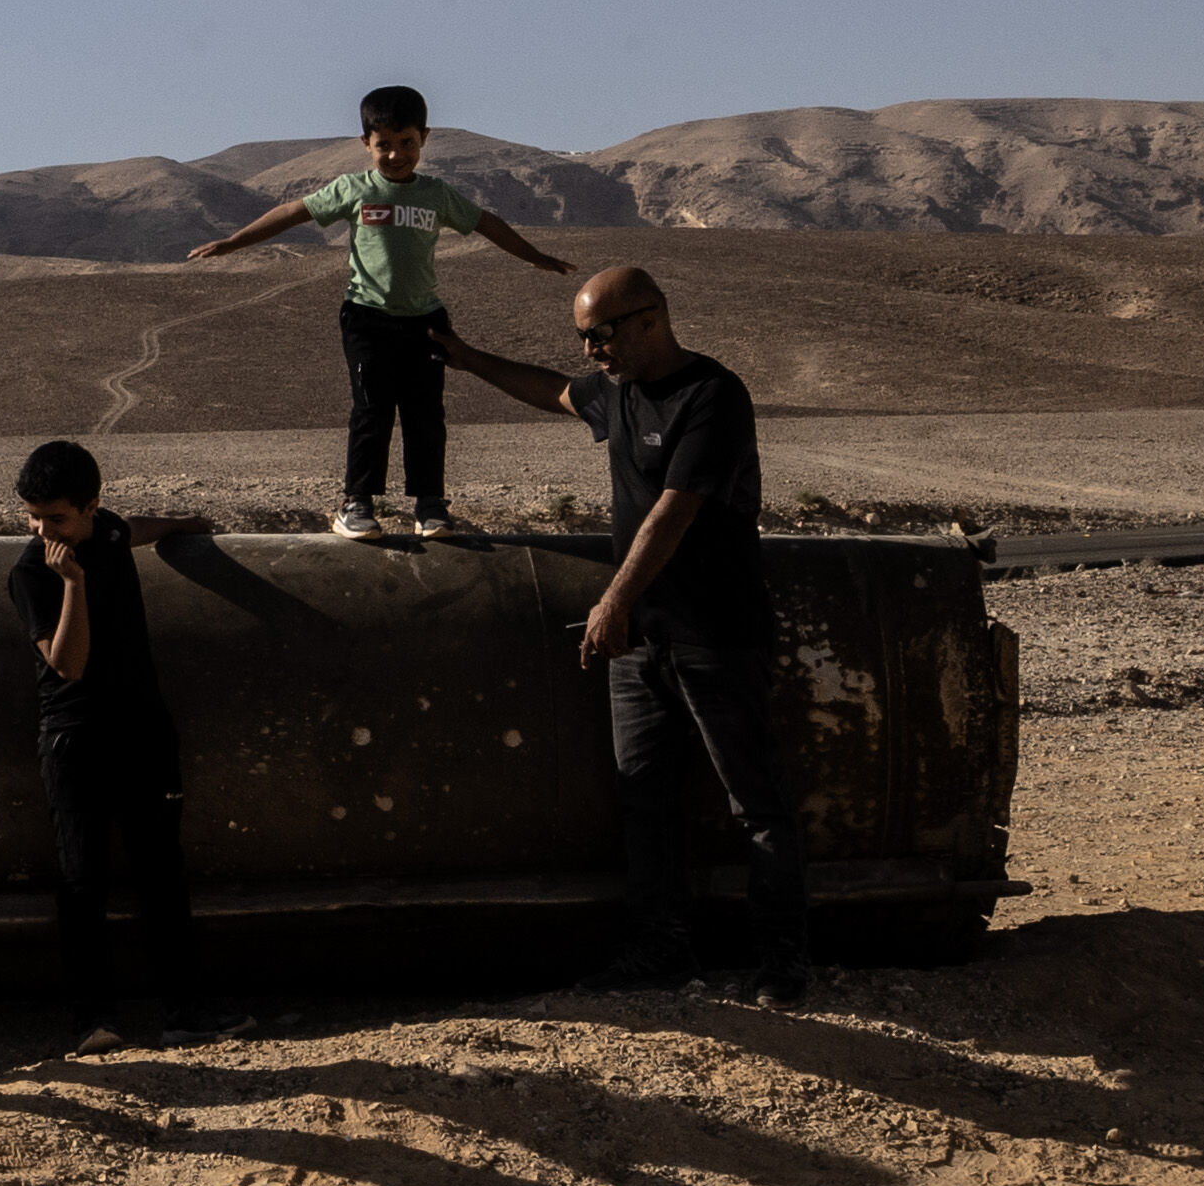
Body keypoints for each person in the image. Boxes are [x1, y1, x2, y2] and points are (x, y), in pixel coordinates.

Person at [435, 268, 807, 999]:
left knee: (756, 804)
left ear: (650, 320)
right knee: (644, 802)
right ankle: (660, 950)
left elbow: (676, 508)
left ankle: (783, 962)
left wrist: (612, 602)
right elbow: (551, 391)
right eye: (582, 339)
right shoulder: (617, 392)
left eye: (599, 335)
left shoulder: (713, 395)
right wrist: (465, 356)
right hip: (643, 641)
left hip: (715, 633)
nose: (591, 352)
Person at [189, 84, 573, 539]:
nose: (395, 155)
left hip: (425, 323)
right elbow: (295, 211)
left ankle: (430, 505)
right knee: (372, 411)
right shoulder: (354, 189)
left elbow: (486, 222)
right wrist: (234, 242)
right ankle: (356, 504)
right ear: (365, 145)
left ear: (424, 139)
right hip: (367, 319)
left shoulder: (436, 195)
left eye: (406, 143)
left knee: (425, 413)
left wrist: (535, 256)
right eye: (384, 145)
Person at [7, 438, 203, 1052]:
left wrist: (187, 524)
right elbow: (68, 664)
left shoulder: (110, 533)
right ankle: (94, 1022)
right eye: (34, 517)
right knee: (82, 881)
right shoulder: (33, 572)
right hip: (76, 740)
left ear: (92, 507)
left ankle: (186, 1015)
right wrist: (72, 583)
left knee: (161, 876)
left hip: (143, 732)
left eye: (57, 518)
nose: (44, 531)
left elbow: (130, 528)